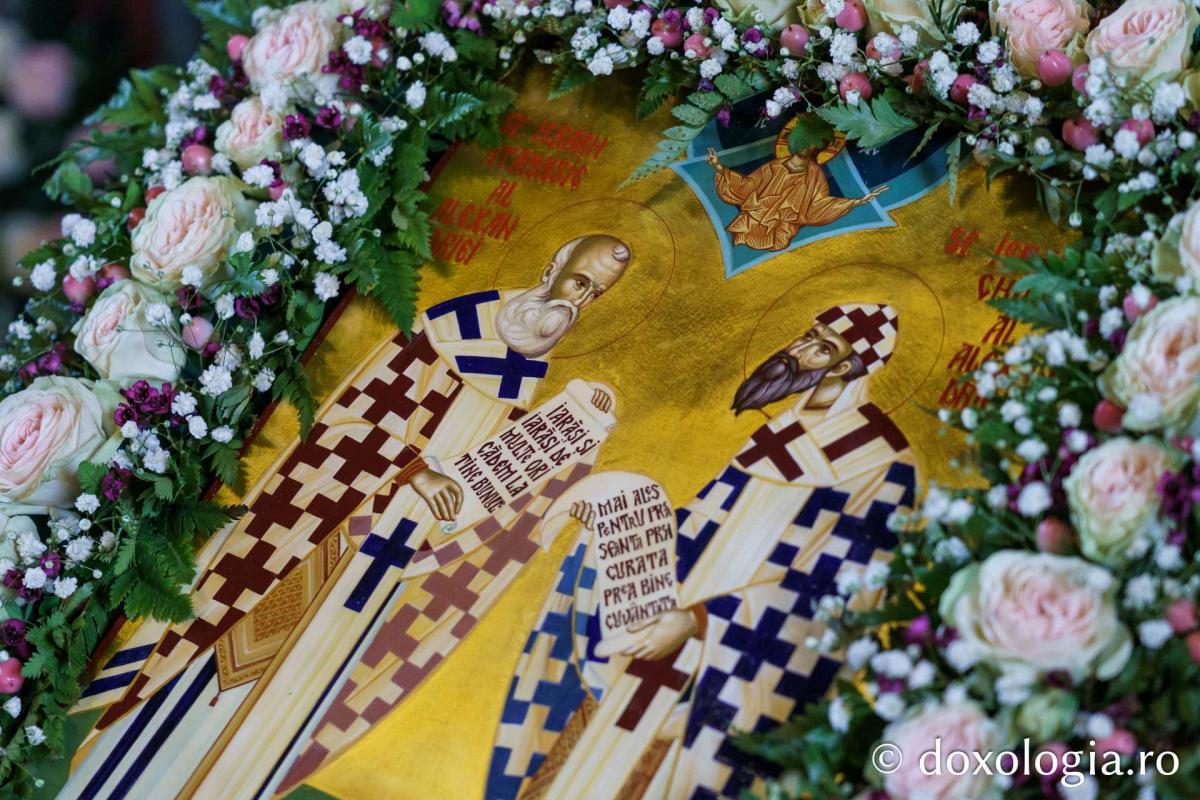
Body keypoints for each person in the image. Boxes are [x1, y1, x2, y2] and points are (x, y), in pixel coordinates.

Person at [66, 235, 633, 799]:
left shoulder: (530, 366)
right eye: (579, 282)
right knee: (206, 674)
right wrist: (415, 471)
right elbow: (353, 417)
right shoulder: (459, 328)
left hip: (378, 574)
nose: (578, 302)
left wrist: (574, 438)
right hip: (319, 536)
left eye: (596, 295)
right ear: (552, 265)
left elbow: (489, 477)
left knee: (287, 705)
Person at [488, 303, 917, 800]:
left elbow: (835, 593)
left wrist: (703, 622)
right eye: (808, 335)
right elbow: (698, 526)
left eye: (822, 348)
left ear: (848, 368)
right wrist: (621, 520)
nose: (798, 351)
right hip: (662, 638)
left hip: (727, 663)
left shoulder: (881, 462)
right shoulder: (780, 430)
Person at [709, 146, 888, 251]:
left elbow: (818, 205)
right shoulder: (775, 166)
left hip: (782, 226)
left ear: (817, 148)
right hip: (755, 216)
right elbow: (749, 185)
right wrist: (719, 168)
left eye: (811, 143)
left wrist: (856, 202)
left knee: (778, 241)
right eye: (803, 141)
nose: (806, 146)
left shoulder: (814, 175)